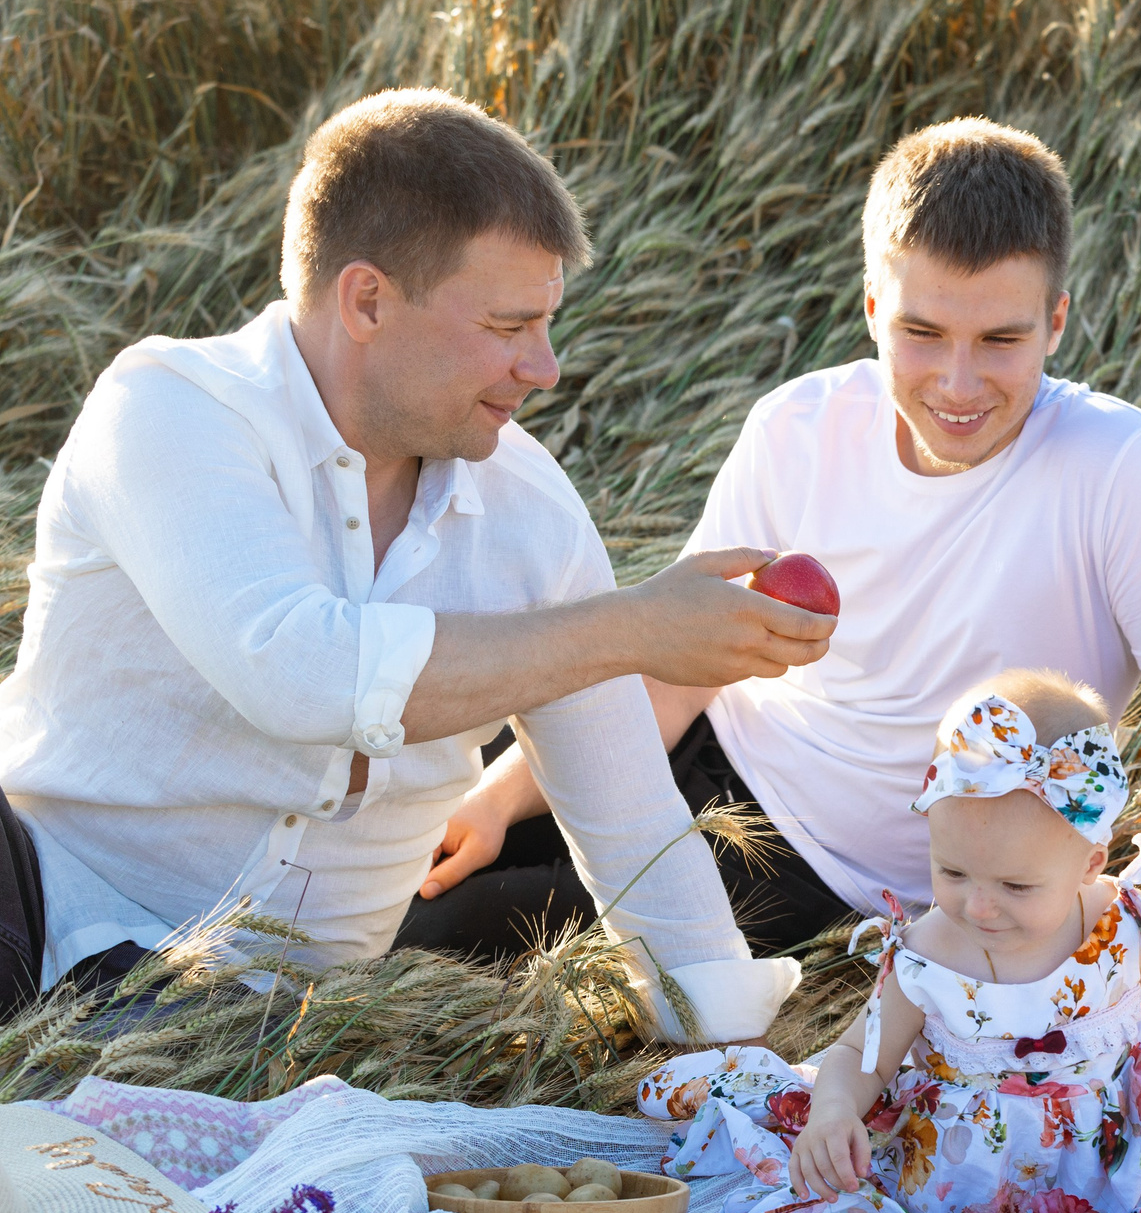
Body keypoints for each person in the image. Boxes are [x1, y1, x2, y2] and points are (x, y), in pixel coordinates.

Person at [0, 90, 828, 1040]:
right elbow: (298, 669)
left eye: (547, 323)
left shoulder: (530, 509)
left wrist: (738, 1067)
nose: (545, 366)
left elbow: (634, 824)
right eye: (508, 326)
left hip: (277, 1033)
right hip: (38, 923)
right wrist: (632, 628)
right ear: (367, 300)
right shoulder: (168, 410)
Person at [399, 118, 1141, 963]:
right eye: (922, 332)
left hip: (812, 871)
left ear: (1059, 321)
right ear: (873, 307)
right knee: (391, 828)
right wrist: (505, 796)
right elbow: (683, 674)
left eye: (1001, 338)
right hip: (696, 747)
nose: (958, 383)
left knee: (429, 932)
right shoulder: (797, 426)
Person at [636, 670, 1141, 1213]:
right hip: (979, 1177)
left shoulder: (1119, 920)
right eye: (952, 871)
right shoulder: (927, 953)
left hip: (1124, 1143)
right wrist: (834, 1111)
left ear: (1090, 863)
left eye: (1016, 886)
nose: (979, 906)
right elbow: (860, 1056)